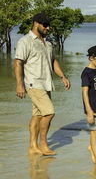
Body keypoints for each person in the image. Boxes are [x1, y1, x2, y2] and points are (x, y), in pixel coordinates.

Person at [14, 12, 71, 155]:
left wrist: (62, 76)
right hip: (33, 83)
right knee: (49, 112)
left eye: (49, 25)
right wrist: (19, 84)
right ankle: (43, 144)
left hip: (46, 83)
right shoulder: (25, 41)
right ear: (36, 24)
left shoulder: (48, 43)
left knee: (38, 115)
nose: (48, 28)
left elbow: (53, 61)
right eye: (45, 25)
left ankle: (33, 147)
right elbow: (18, 62)